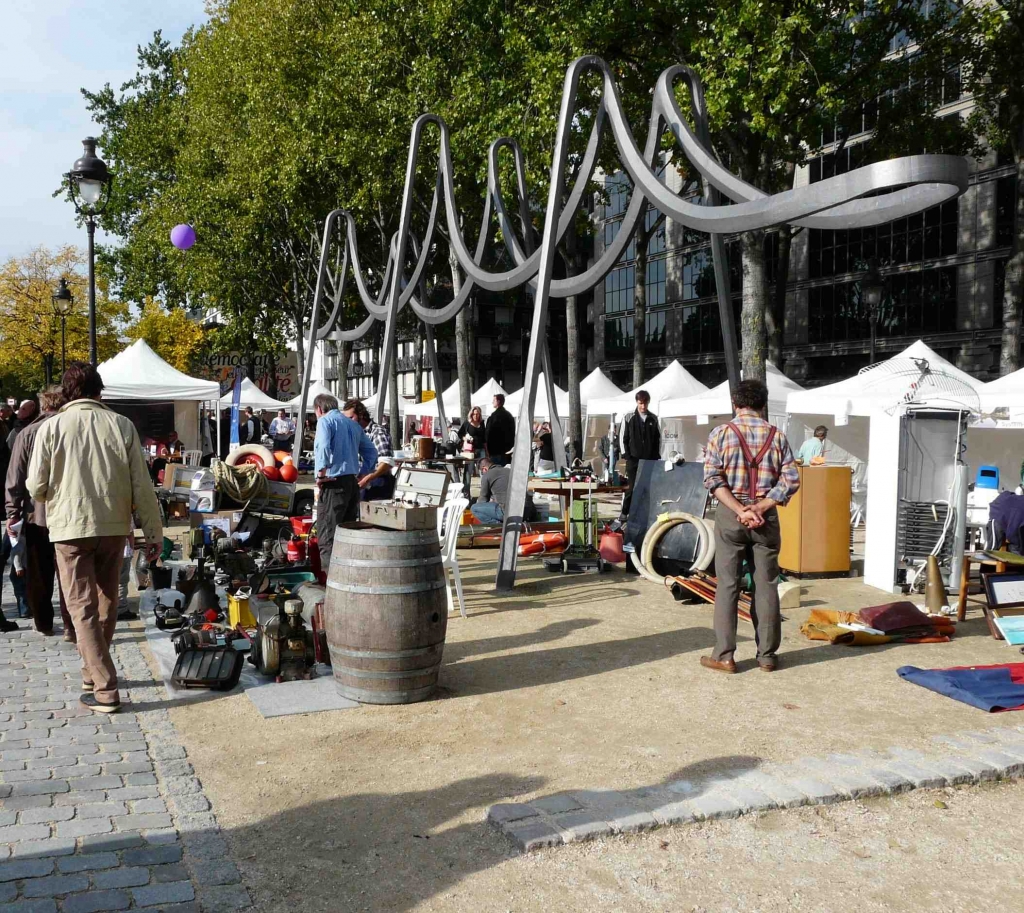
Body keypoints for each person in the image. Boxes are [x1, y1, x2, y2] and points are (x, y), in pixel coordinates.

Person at [27, 363, 162, 713]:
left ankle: (105, 688)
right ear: (100, 392)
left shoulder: (51, 427)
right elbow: (142, 486)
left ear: (66, 393)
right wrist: (153, 532)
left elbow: (35, 487)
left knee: (80, 607)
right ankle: (91, 671)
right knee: (106, 602)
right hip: (113, 525)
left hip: (70, 527)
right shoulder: (122, 426)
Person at [701, 379, 799, 674]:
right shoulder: (777, 436)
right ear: (763, 404)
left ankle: (725, 655)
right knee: (766, 585)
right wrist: (761, 506)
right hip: (765, 518)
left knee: (728, 586)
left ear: (735, 402)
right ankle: (767, 656)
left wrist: (740, 509)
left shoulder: (721, 433)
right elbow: (791, 480)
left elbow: (712, 480)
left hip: (732, 516)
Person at [5, 385, 72, 638]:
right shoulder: (71, 430)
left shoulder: (28, 433)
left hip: (37, 514)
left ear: (43, 405)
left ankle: (43, 622)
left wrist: (13, 511)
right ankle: (70, 624)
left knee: (39, 574)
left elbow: (15, 477)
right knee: (69, 572)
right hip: (69, 514)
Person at [313, 393, 379, 569]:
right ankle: (347, 581)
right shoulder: (353, 425)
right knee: (347, 536)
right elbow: (372, 453)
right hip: (351, 483)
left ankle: (332, 586)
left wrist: (321, 474)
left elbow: (324, 447)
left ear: (319, 409)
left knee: (327, 537)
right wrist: (362, 472)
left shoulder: (325, 421)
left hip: (333, 482)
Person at [618, 390, 661, 524]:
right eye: (641, 403)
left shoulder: (653, 418)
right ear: (637, 402)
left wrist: (656, 456)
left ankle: (644, 513)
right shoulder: (628, 417)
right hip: (633, 459)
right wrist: (627, 455)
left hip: (649, 460)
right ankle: (625, 512)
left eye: (645, 403)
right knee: (632, 488)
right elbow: (622, 437)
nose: (643, 406)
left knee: (647, 488)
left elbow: (658, 439)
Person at [342, 398, 395, 501]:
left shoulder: (377, 432)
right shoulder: (355, 433)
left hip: (378, 484)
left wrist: (368, 478)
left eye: (351, 417)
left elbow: (386, 462)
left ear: (361, 415)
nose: (348, 422)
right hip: (362, 482)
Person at [470, 458, 536, 525]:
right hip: (527, 511)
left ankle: (498, 526)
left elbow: (483, 500)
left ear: (484, 469)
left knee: (474, 508)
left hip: (510, 513)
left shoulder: (487, 475)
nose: (482, 474)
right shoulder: (510, 471)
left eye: (482, 472)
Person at [484, 394, 515, 466]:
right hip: (506, 450)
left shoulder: (494, 416)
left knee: (494, 470)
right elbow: (512, 432)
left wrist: (487, 448)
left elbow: (488, 434)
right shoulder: (509, 416)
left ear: (498, 401)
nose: (492, 402)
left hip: (494, 449)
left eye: (494, 400)